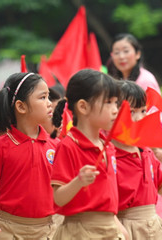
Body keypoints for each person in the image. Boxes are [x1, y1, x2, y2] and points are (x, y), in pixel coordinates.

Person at [0, 72, 57, 239]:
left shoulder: (55, 146)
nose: (49, 104)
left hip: (48, 229)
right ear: (21, 107)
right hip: (8, 229)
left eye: (48, 97)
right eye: (42, 97)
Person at [51, 69, 127, 239]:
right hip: (80, 231)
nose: (115, 110)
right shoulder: (69, 146)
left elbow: (106, 197)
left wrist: (117, 225)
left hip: (110, 230)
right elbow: (58, 198)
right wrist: (79, 181)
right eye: (108, 102)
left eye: (116, 103)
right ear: (83, 107)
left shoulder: (108, 146)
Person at [112, 80, 162, 239]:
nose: (140, 117)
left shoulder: (146, 150)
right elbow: (103, 204)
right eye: (132, 111)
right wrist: (122, 231)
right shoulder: (108, 153)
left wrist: (157, 153)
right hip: (125, 227)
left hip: (152, 227)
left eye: (143, 111)